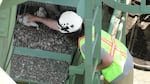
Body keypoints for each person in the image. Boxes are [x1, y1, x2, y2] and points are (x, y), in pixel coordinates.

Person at [28, 11, 133, 84]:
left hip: (120, 72)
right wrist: (37, 18)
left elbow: (109, 60)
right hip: (125, 57)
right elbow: (58, 26)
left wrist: (95, 69)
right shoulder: (88, 26)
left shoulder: (86, 44)